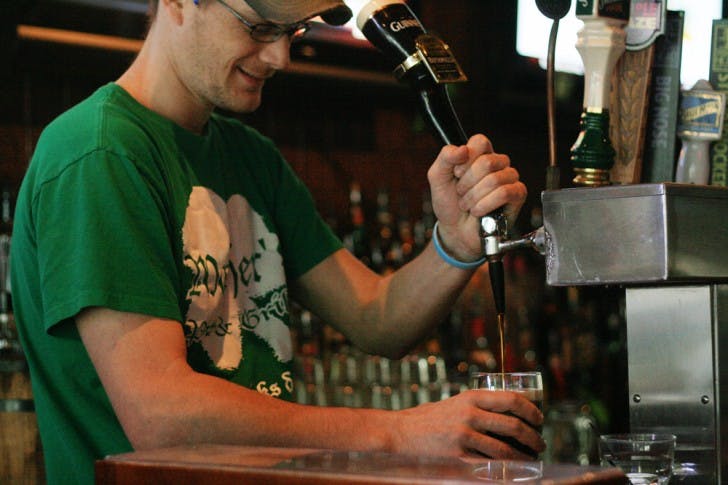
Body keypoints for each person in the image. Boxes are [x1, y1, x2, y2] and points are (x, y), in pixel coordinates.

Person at [10, 0, 540, 483]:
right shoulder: (99, 154)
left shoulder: (250, 157)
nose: (281, 57)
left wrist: (457, 244)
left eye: (293, 31)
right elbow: (160, 415)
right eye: (260, 27)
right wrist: (398, 432)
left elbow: (378, 319)